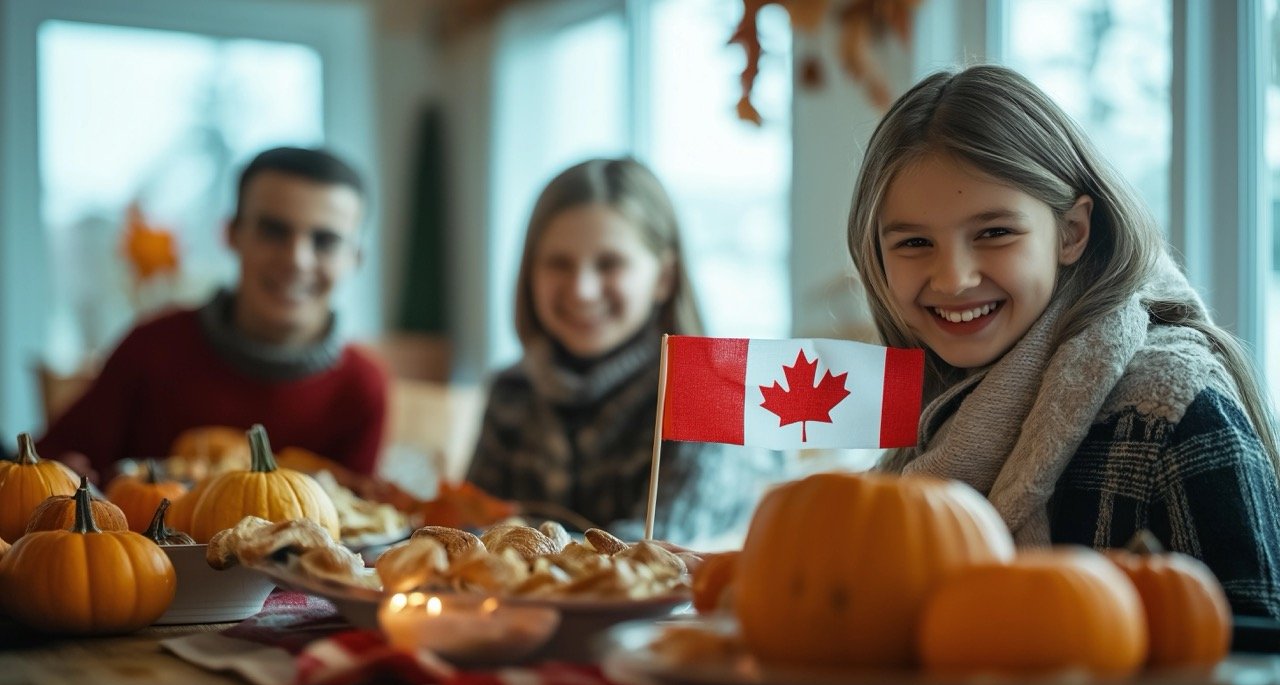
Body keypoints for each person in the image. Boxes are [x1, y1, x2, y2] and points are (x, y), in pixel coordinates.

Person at [847, 65, 1280, 617]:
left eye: (995, 233)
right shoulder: (927, 420)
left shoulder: (1173, 413)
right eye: (913, 242)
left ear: (1071, 233)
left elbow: (1254, 679)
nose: (953, 278)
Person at [465, 157, 767, 546]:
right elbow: (467, 533)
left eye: (609, 264)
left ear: (663, 277)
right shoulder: (511, 391)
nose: (582, 290)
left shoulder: (706, 400)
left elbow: (659, 556)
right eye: (559, 264)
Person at [38, 147, 388, 481]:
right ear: (232, 234)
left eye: (325, 241)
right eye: (273, 231)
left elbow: (362, 533)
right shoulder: (150, 349)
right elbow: (43, 473)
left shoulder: (362, 389)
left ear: (356, 257)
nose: (297, 259)